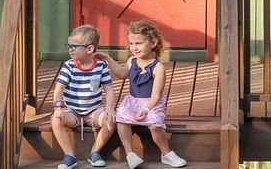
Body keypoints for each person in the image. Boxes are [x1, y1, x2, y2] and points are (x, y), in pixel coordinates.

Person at [98, 20, 187, 168]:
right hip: (132, 101)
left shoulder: (158, 68)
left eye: (138, 43)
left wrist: (146, 109)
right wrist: (108, 58)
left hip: (151, 103)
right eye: (131, 44)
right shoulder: (132, 61)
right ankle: (130, 154)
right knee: (121, 119)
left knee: (155, 124)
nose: (134, 48)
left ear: (152, 43)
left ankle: (166, 154)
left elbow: (156, 96)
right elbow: (121, 74)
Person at [52, 24, 116, 169]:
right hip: (72, 111)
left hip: (94, 111)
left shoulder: (101, 66)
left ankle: (95, 152)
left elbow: (109, 89)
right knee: (55, 120)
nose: (70, 49)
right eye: (69, 46)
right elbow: (59, 89)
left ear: (90, 49)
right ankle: (69, 155)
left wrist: (109, 108)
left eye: (75, 46)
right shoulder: (68, 66)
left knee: (111, 120)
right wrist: (58, 107)